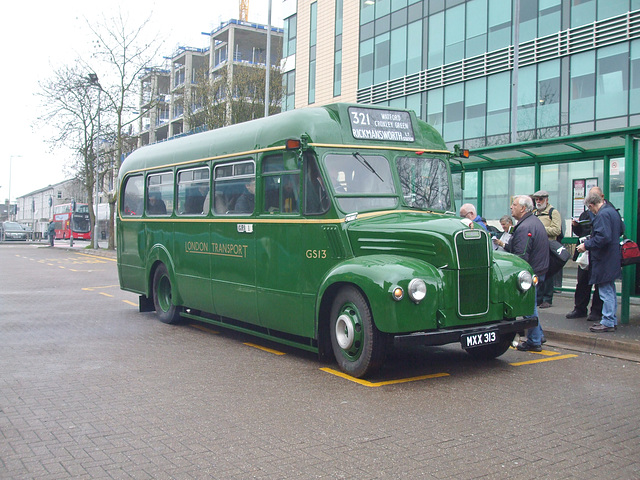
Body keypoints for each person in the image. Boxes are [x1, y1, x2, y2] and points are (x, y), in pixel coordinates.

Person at [504, 195, 549, 352]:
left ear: (523, 208)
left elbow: (521, 257)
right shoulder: (534, 222)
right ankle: (538, 335)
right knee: (532, 305)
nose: (511, 207)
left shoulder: (524, 227)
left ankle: (535, 340)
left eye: (514, 205)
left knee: (528, 307)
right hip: (539, 269)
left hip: (530, 272)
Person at [576, 190, 624, 333]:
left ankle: (608, 321)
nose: (591, 211)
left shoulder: (602, 215)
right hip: (612, 257)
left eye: (590, 208)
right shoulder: (613, 212)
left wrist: (586, 245)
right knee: (610, 290)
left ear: (591, 205)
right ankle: (611, 319)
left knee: (605, 291)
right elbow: (621, 230)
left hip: (603, 258)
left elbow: (603, 237)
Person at [566, 186, 605, 321]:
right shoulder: (585, 213)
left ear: (601, 197)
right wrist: (575, 226)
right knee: (582, 281)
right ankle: (580, 308)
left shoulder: (605, 212)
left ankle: (596, 311)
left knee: (599, 284)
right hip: (584, 253)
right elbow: (580, 233)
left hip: (598, 253)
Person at [532, 190, 562, 308]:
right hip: (537, 247)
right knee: (538, 273)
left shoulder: (553, 212)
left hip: (549, 246)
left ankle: (547, 299)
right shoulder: (534, 213)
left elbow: (556, 230)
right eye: (537, 199)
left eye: (541, 199)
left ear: (547, 200)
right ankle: (538, 298)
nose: (538, 201)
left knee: (548, 274)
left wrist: (540, 229)